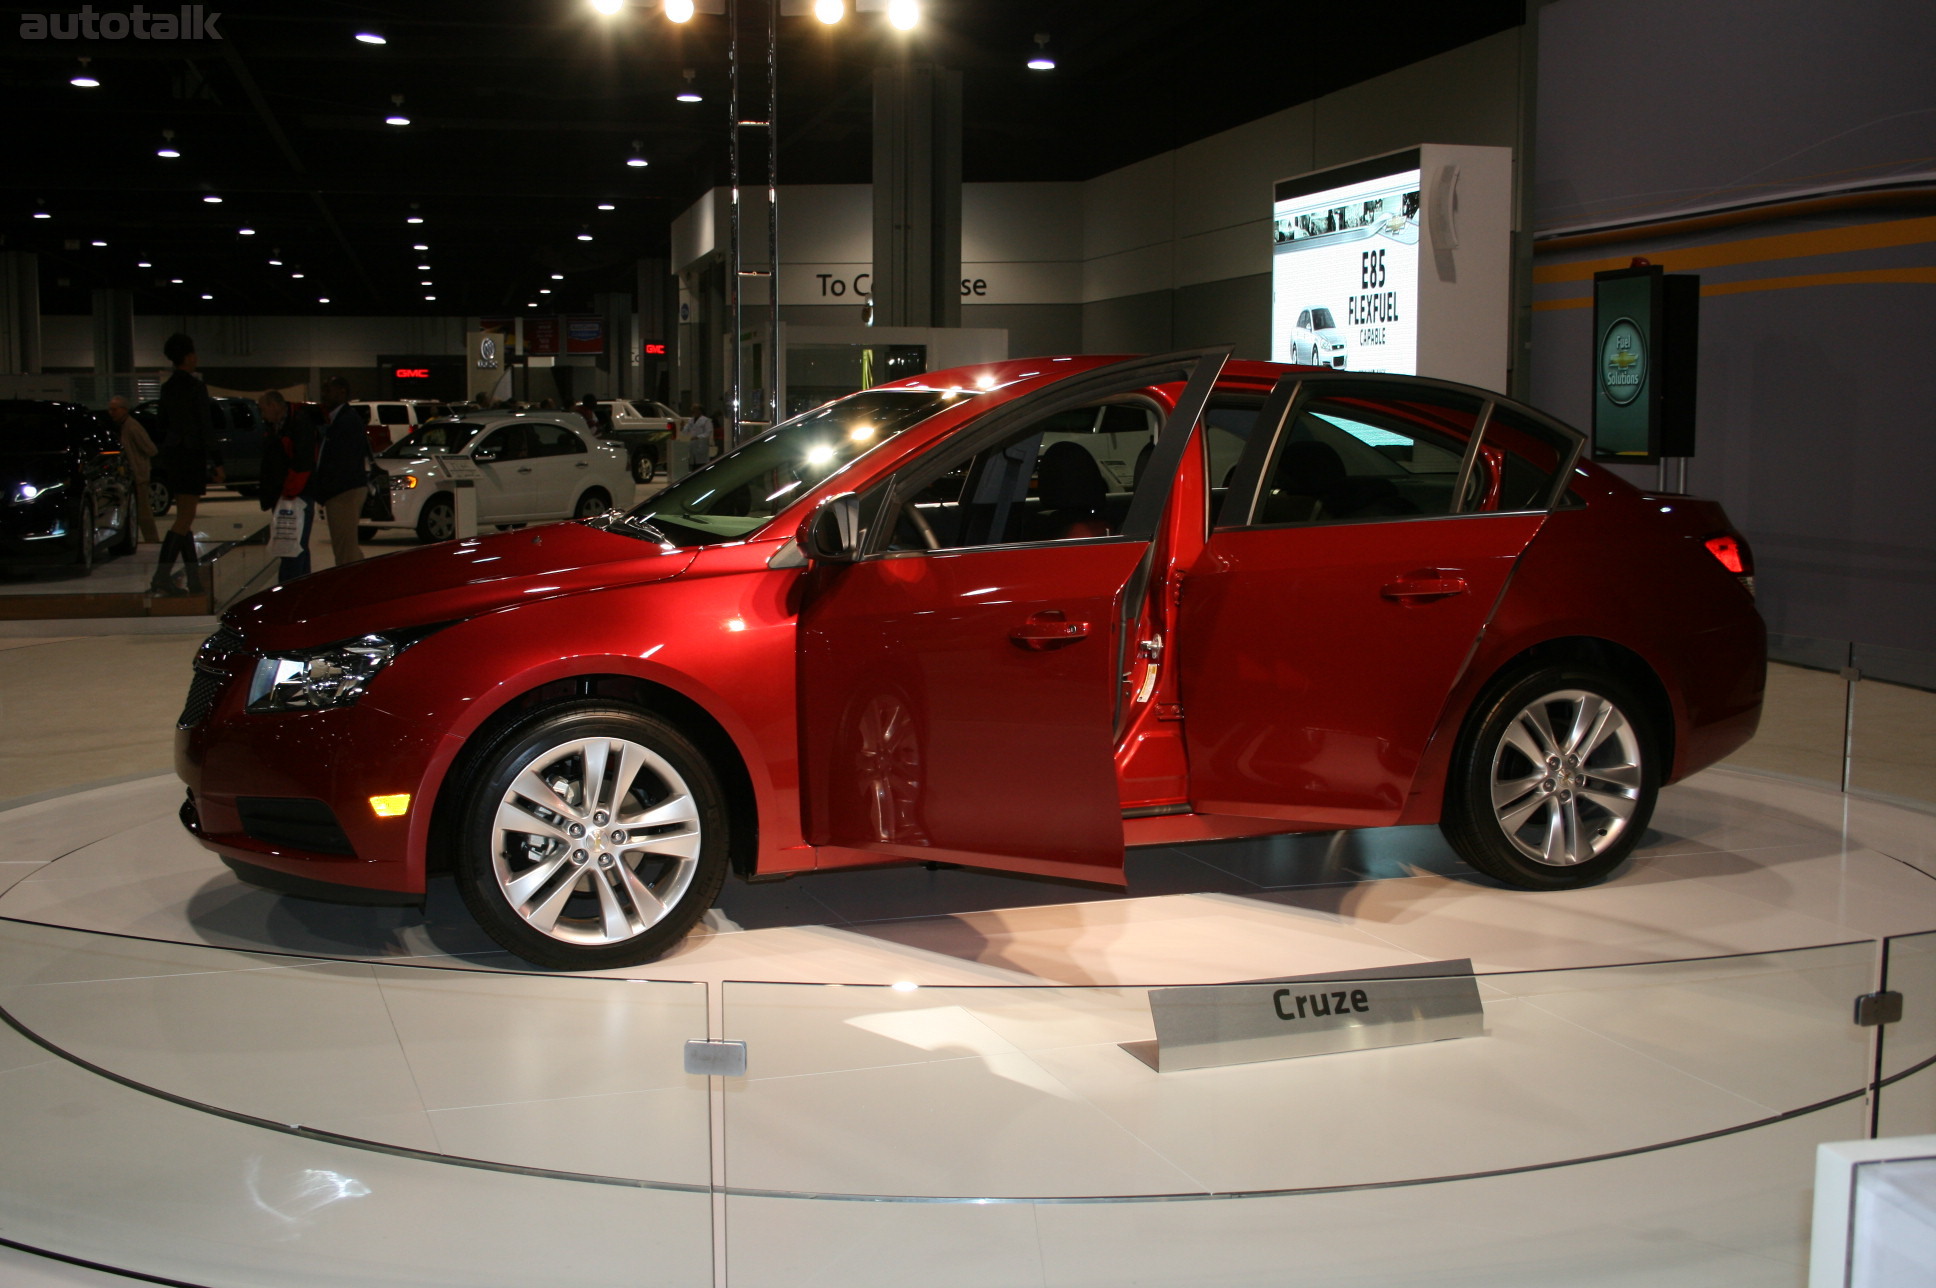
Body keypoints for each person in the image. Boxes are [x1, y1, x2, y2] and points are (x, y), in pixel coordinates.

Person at [151, 333, 223, 596]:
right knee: (184, 518)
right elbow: (205, 426)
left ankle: (193, 579)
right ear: (189, 356)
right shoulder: (195, 387)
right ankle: (160, 576)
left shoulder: (167, 387)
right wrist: (217, 460)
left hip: (173, 455)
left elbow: (160, 423)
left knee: (185, 518)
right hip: (191, 455)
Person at [307, 375, 372, 569]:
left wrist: (324, 491)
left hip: (344, 492)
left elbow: (342, 462)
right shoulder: (338, 419)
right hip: (342, 491)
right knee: (347, 545)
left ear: (342, 392)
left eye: (328, 389)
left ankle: (351, 587)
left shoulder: (347, 421)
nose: (324, 394)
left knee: (345, 548)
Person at [256, 390, 318, 583]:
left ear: (274, 406)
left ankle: (289, 589)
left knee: (291, 546)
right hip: (285, 495)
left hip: (295, 496)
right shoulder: (276, 426)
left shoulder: (298, 424)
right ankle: (301, 588)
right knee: (296, 546)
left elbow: (303, 462)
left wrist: (288, 494)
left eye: (262, 408)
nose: (261, 413)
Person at [107, 394, 160, 544]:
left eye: (114, 409)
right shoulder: (125, 426)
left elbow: (150, 449)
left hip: (139, 475)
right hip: (133, 475)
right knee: (139, 511)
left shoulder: (132, 427)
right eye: (110, 410)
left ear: (124, 410)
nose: (111, 413)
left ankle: (152, 540)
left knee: (144, 511)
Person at [683, 403, 713, 470]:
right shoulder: (690, 420)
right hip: (692, 445)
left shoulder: (706, 420)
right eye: (692, 410)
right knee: (693, 464)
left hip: (701, 444)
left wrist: (698, 437)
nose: (693, 412)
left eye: (695, 410)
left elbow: (708, 432)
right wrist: (682, 428)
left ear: (700, 411)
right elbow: (685, 430)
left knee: (701, 465)